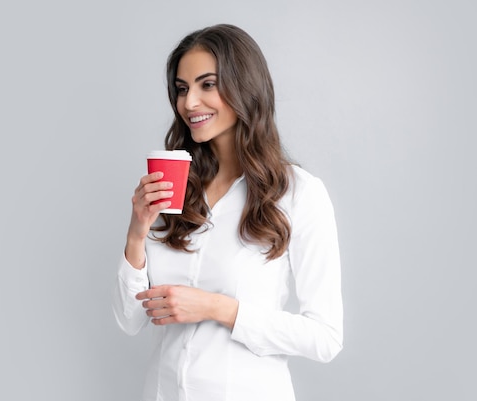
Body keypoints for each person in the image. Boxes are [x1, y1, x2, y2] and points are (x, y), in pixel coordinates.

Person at [112, 24, 343, 401]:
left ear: (245, 87)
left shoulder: (299, 194)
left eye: (207, 84)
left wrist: (219, 308)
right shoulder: (178, 186)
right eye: (182, 88)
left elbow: (325, 338)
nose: (189, 103)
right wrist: (137, 233)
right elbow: (130, 319)